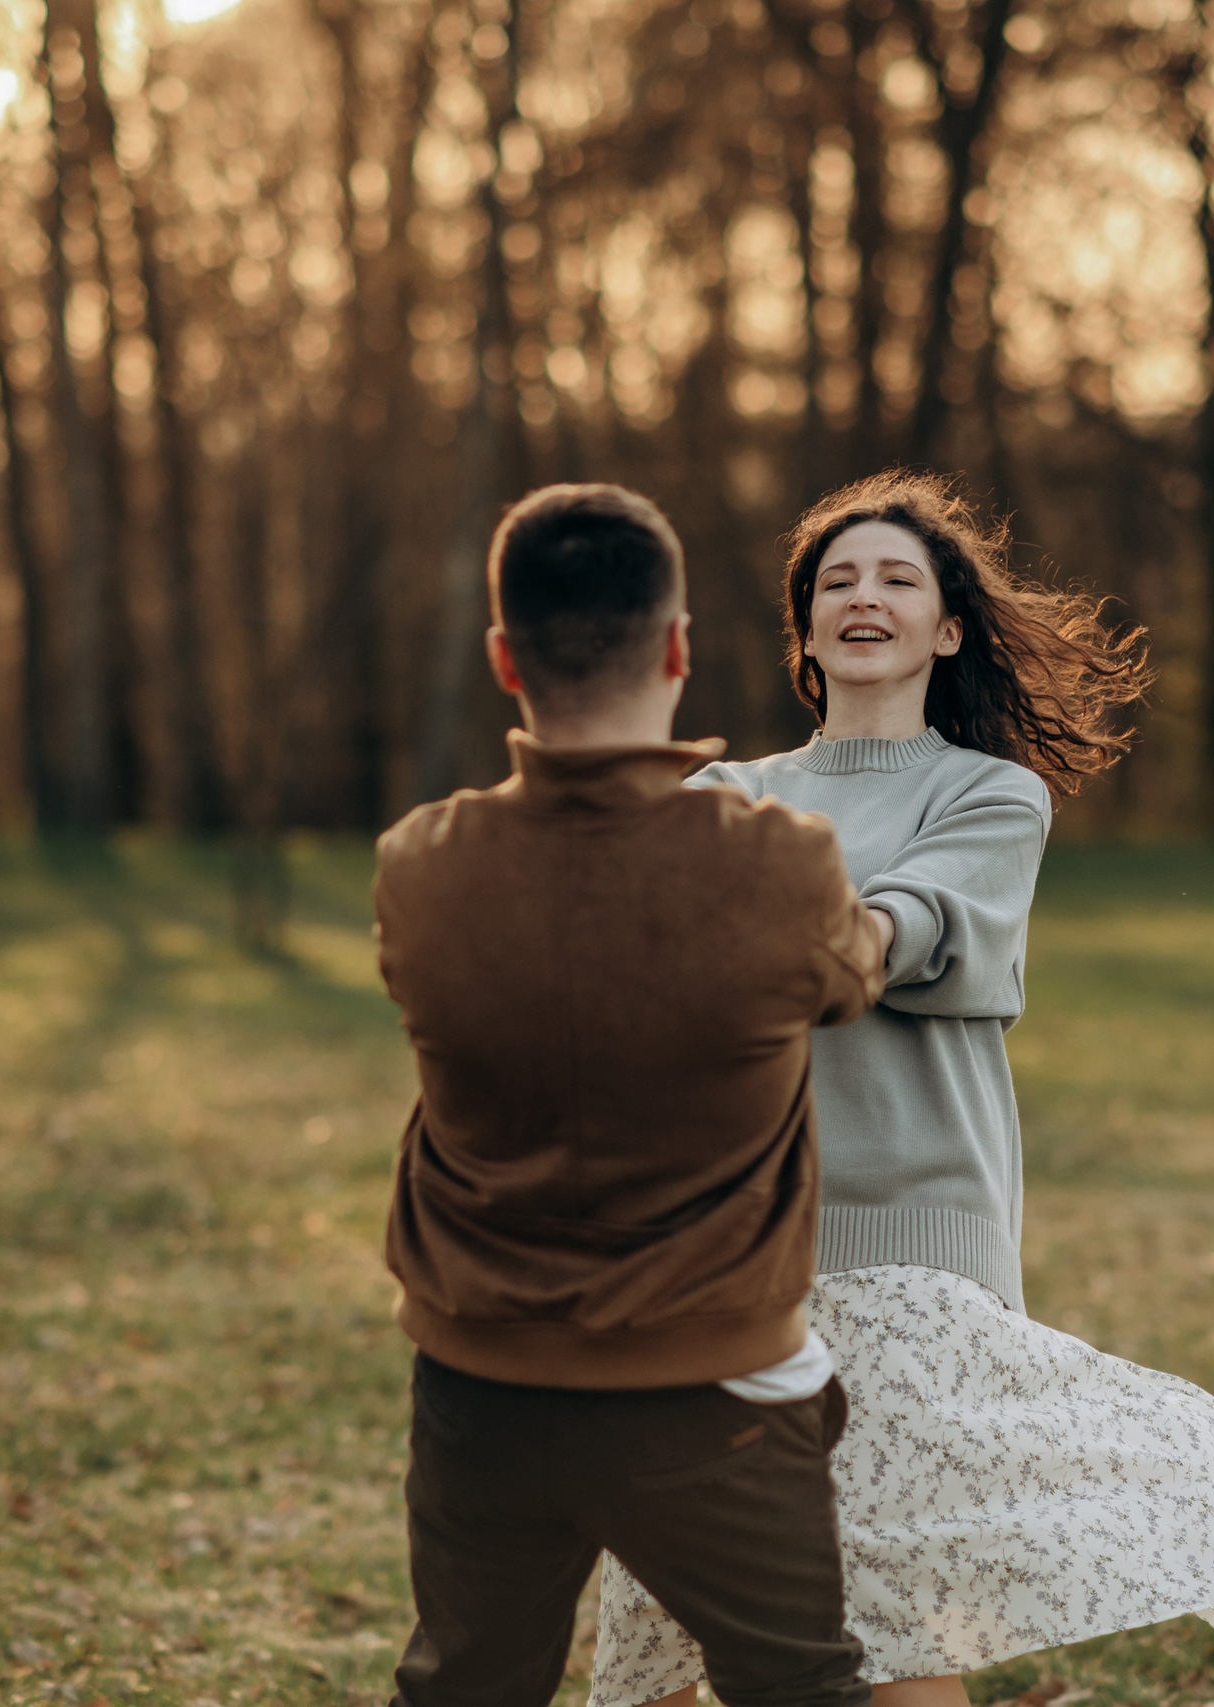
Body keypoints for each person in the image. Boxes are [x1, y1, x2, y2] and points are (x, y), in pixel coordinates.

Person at [590, 474, 1214, 1707]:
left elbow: (902, 928)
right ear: (807, 633)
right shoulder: (724, 795)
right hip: (722, 1252)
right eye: (836, 582)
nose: (863, 597)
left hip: (907, 1248)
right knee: (663, 1621)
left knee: (889, 1613)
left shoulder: (991, 797)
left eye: (895, 579)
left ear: (946, 629)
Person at [375, 484, 891, 1707]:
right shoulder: (779, 862)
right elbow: (852, 973)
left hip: (477, 1393)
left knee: (463, 1690)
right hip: (709, 1400)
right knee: (801, 1687)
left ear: (505, 659)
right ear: (676, 648)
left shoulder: (420, 865)